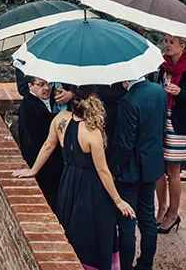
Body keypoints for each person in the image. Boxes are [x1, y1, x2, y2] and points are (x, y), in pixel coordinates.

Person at [14, 87, 135, 270]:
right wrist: (118, 201)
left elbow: (48, 146)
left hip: (68, 182)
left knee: (71, 228)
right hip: (92, 188)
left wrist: (33, 170)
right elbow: (102, 170)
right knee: (95, 233)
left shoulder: (60, 120)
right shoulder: (92, 134)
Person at [110, 74, 167, 270]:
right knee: (148, 219)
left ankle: (125, 266)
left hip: (130, 171)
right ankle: (145, 264)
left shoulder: (128, 100)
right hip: (151, 166)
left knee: (127, 223)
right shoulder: (159, 92)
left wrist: (113, 168)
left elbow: (125, 143)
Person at [156, 34, 186, 234]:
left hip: (179, 123)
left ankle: (173, 214)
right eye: (166, 41)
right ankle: (161, 207)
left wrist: (180, 93)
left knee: (173, 171)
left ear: (183, 46)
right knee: (158, 168)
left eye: (171, 42)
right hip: (161, 121)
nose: (167, 46)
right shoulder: (162, 67)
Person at [18, 75, 64, 210]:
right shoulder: (33, 108)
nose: (47, 88)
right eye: (41, 84)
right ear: (30, 86)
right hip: (45, 166)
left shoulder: (45, 102)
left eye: (49, 84)